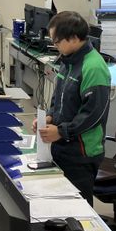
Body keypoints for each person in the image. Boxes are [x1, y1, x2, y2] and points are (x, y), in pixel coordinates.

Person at [34, 11, 111, 204]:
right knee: (60, 203)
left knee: (78, 207)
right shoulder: (68, 61)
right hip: (63, 146)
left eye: (57, 41)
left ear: (74, 38)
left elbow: (92, 114)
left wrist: (61, 131)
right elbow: (59, 97)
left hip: (82, 152)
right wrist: (50, 117)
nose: (55, 45)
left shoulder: (93, 67)